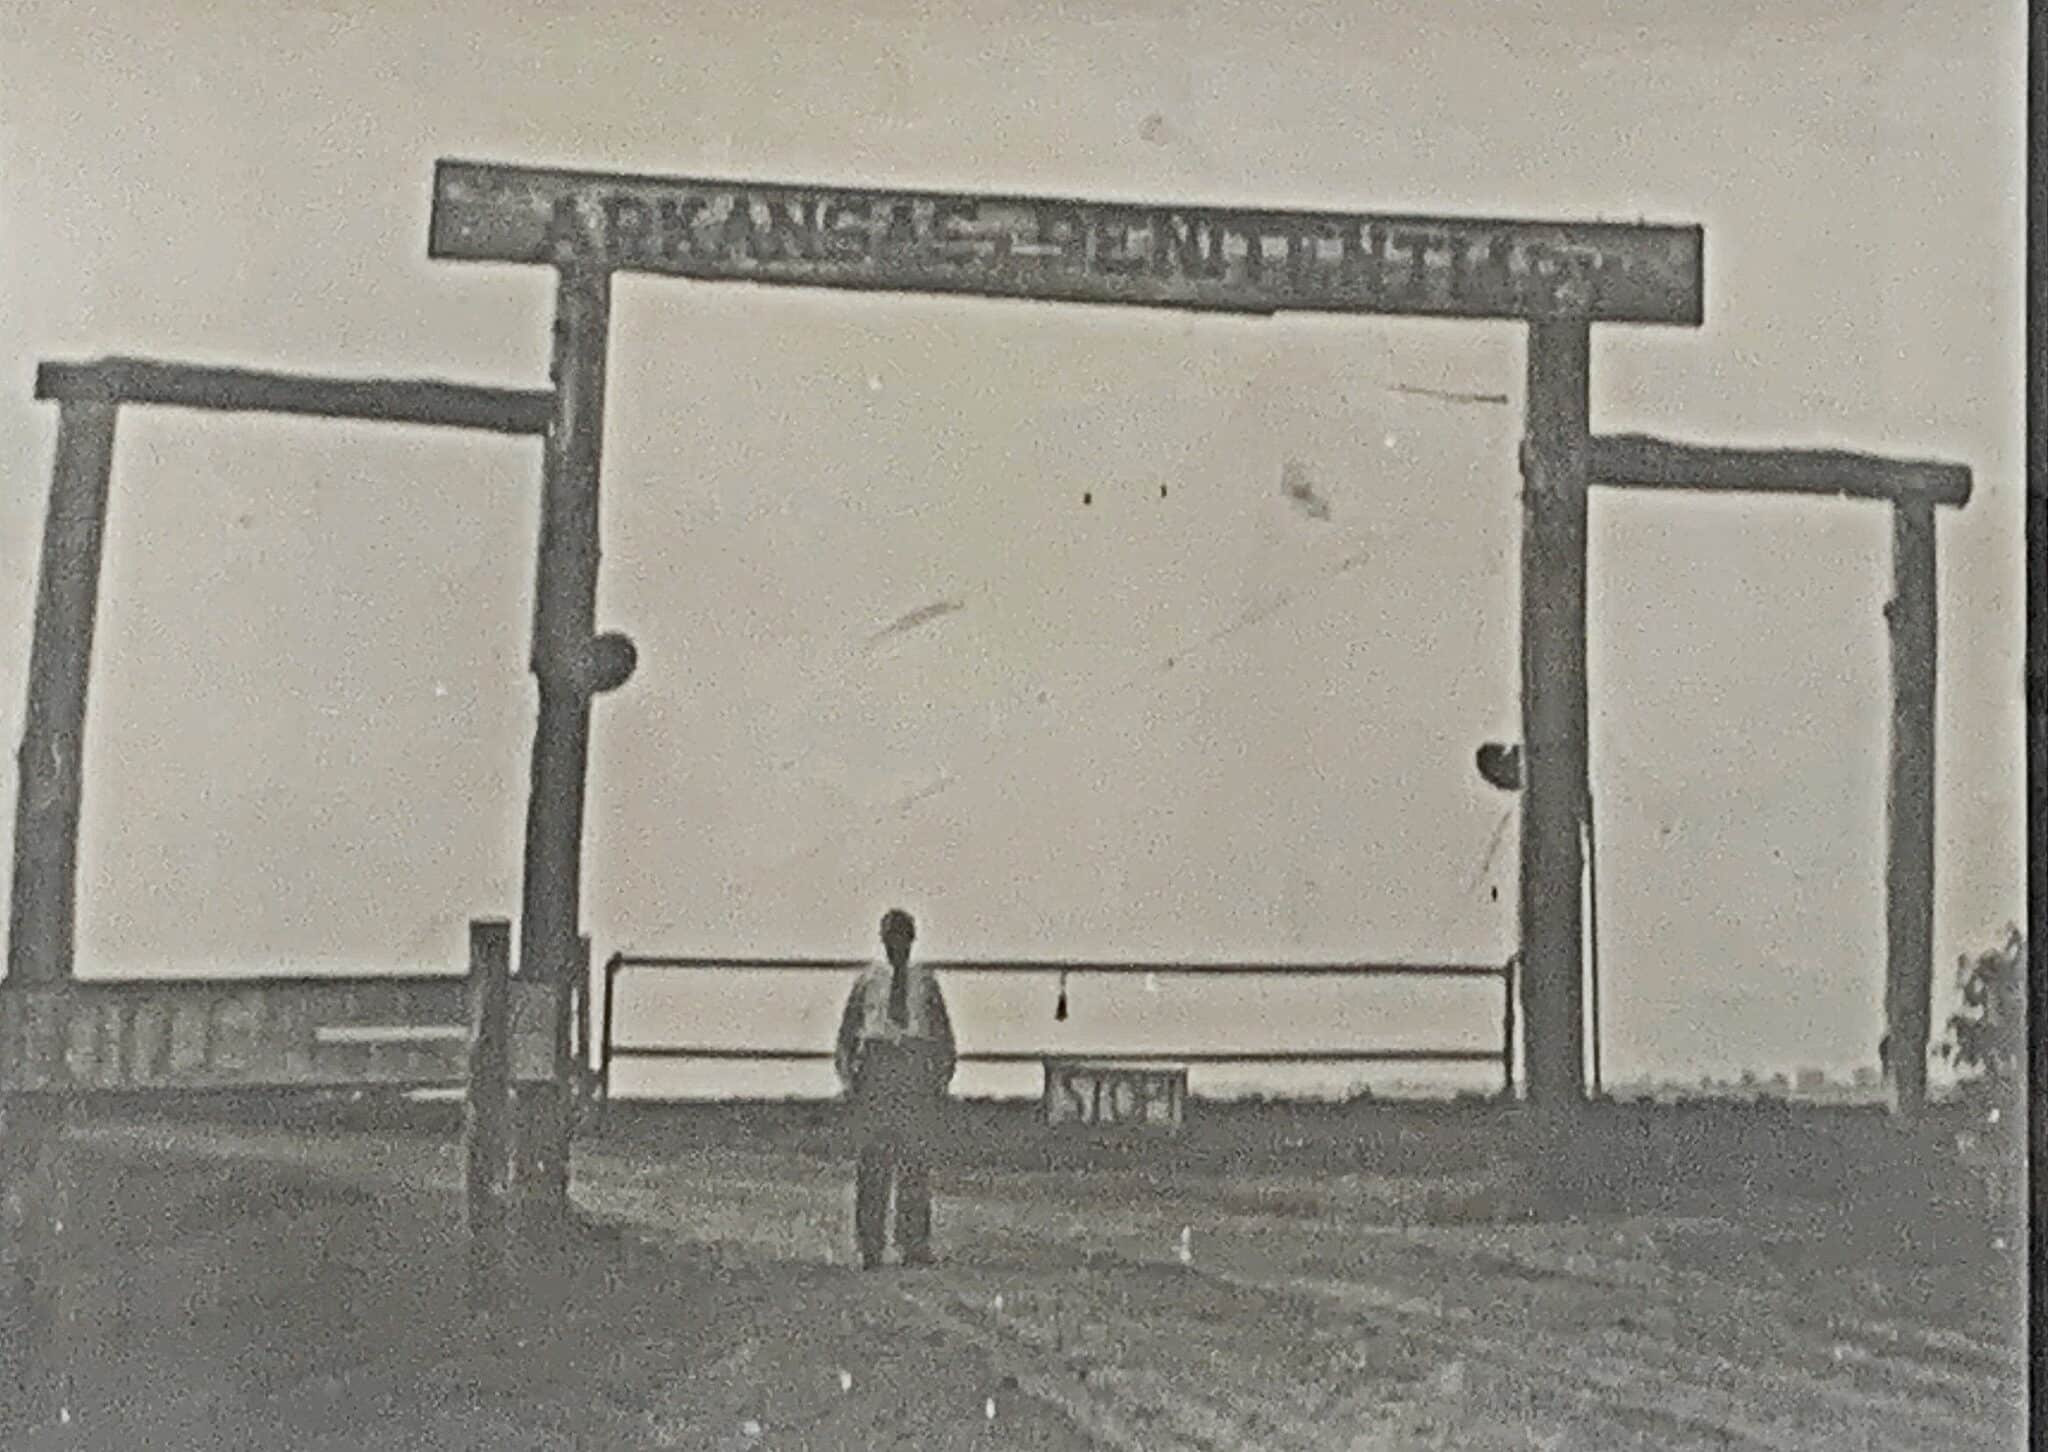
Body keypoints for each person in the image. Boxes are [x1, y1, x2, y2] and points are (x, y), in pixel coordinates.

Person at [834, 908, 956, 1269]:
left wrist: (940, 1077)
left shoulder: (926, 982)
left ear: (912, 940)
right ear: (882, 940)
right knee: (874, 1160)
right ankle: (870, 1245)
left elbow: (943, 1033)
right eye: (891, 938)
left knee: (913, 1161)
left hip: (913, 1068)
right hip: (878, 1065)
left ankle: (913, 1243)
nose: (897, 945)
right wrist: (849, 1078)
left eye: (903, 937)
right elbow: (847, 1033)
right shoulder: (868, 980)